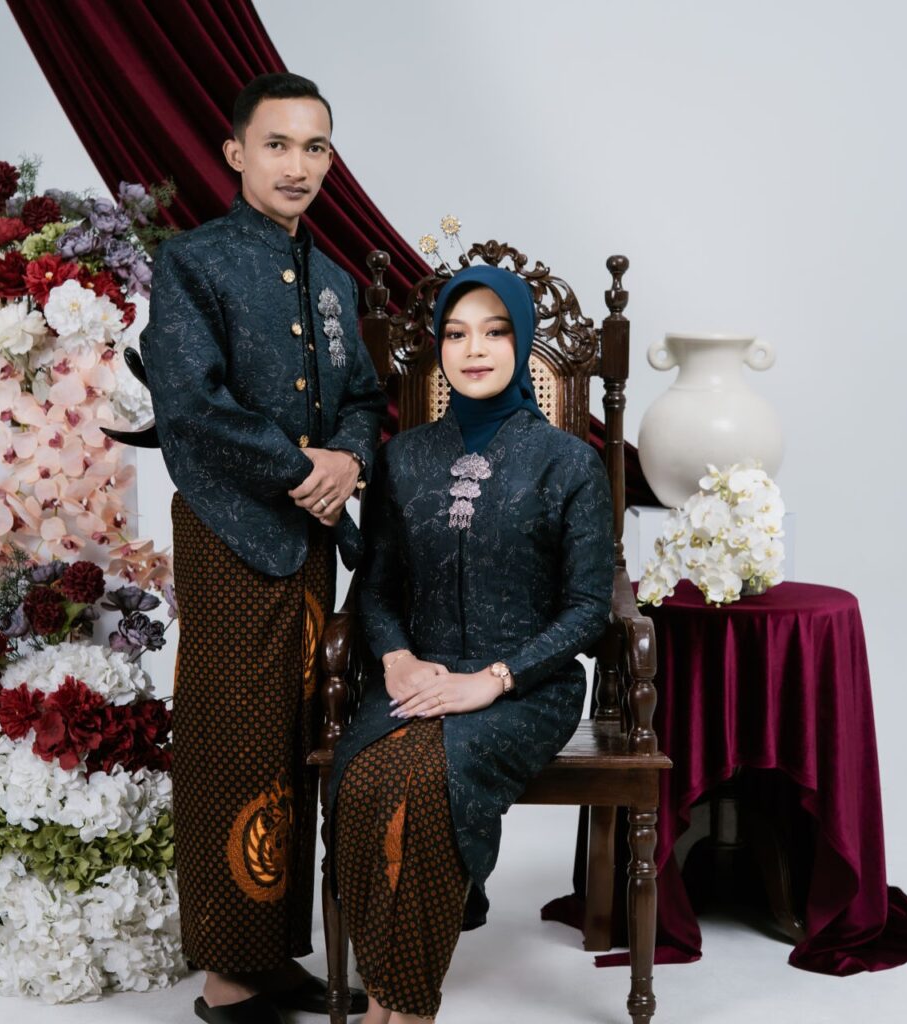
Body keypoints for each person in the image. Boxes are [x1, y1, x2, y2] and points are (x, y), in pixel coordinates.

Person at [139, 73, 383, 1024]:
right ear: (236, 152)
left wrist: (348, 460)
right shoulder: (192, 262)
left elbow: (363, 398)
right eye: (277, 145)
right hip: (228, 534)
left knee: (297, 743)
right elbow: (190, 404)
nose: (297, 165)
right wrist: (302, 469)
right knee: (230, 741)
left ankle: (274, 957)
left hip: (311, 543)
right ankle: (227, 976)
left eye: (314, 147)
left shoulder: (334, 280)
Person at [329, 264, 615, 1022]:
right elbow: (376, 588)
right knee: (364, 781)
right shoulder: (403, 457)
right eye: (456, 334)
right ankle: (384, 994)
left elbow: (589, 609)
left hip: (526, 685)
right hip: (416, 674)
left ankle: (406, 1005)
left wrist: (495, 678)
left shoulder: (569, 461)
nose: (474, 349)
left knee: (430, 783)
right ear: (438, 348)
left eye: (494, 332)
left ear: (522, 344)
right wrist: (396, 659)